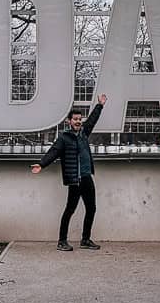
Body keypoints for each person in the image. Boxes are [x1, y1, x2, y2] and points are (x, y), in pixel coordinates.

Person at [31, 94, 106, 251]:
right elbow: (53, 152)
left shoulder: (84, 134)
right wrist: (42, 164)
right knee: (70, 210)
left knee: (91, 208)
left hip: (86, 178)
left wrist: (100, 105)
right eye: (75, 119)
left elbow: (92, 120)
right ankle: (62, 241)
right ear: (69, 121)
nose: (78, 121)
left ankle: (85, 240)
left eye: (80, 119)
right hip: (75, 180)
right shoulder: (64, 138)